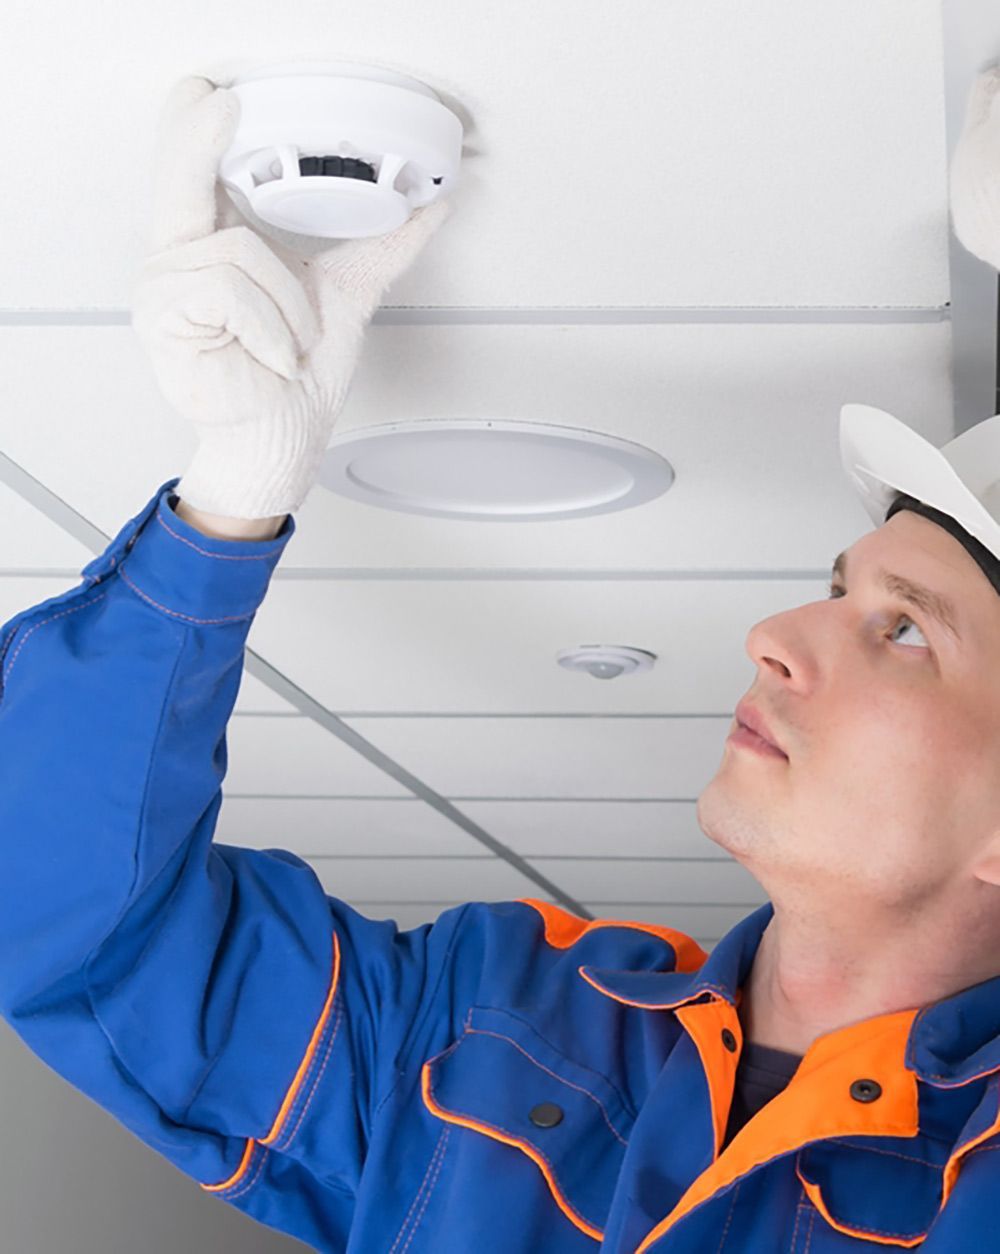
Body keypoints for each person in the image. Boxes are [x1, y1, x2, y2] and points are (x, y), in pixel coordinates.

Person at [2, 61, 1000, 1254]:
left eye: (901, 631)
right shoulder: (493, 1023)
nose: (773, 636)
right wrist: (223, 509)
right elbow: (62, 928)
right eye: (835, 592)